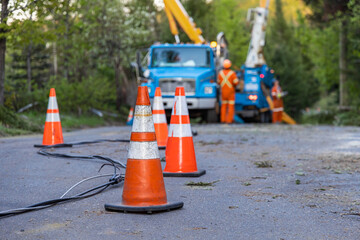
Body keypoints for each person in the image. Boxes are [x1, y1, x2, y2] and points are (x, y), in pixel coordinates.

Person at [217, 59, 242, 123]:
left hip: (223, 92)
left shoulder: (220, 73)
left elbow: (218, 82)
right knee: (230, 106)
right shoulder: (232, 73)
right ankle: (229, 120)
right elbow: (236, 82)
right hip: (230, 92)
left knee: (223, 106)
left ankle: (223, 120)